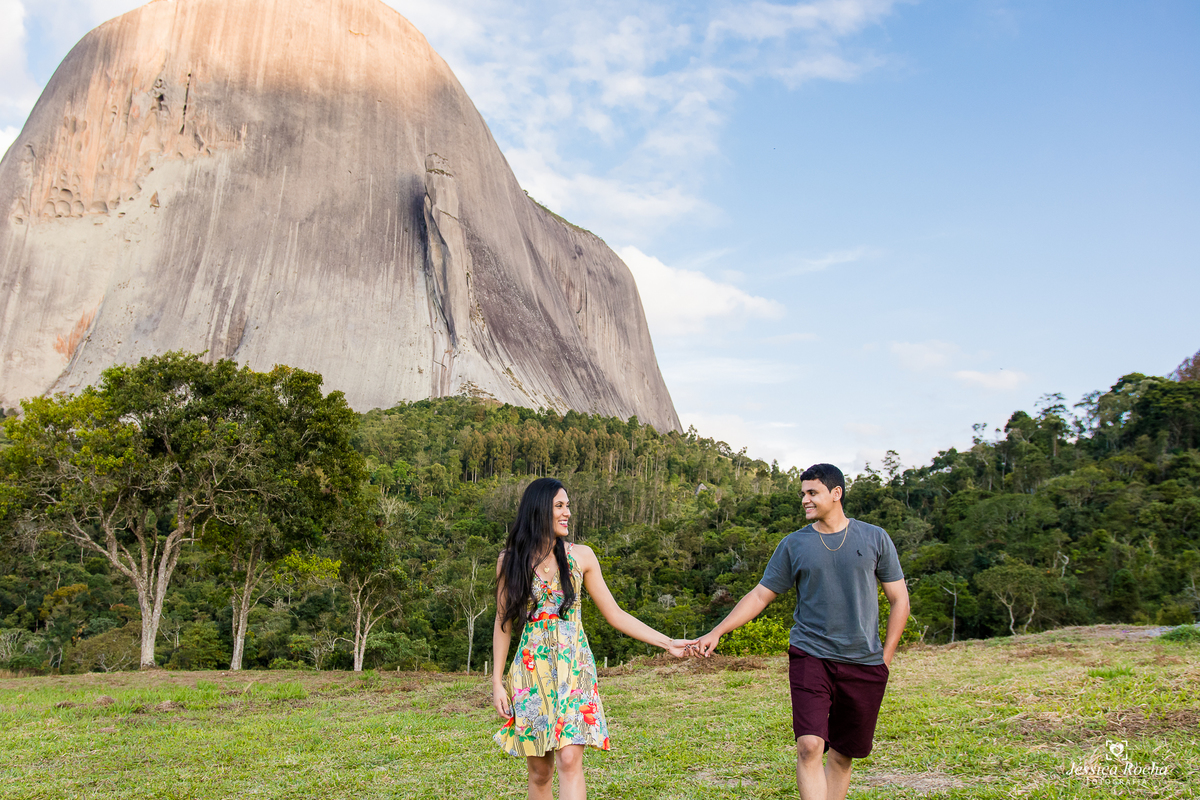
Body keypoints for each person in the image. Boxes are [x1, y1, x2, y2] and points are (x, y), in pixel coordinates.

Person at [696, 463, 910, 800]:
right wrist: (717, 631)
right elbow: (760, 595)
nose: (805, 500)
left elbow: (900, 600)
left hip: (864, 662)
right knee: (810, 745)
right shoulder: (794, 544)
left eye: (812, 493)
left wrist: (885, 658)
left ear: (836, 493)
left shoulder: (874, 537)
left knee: (843, 754)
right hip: (811, 656)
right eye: (803, 494)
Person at [492, 477, 694, 800]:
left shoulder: (581, 557)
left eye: (568, 505)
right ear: (539, 509)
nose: (568, 513)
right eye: (560, 506)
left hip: (575, 669)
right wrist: (497, 682)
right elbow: (503, 623)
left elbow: (615, 614)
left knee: (569, 760)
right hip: (531, 673)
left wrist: (668, 643)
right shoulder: (510, 560)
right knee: (540, 772)